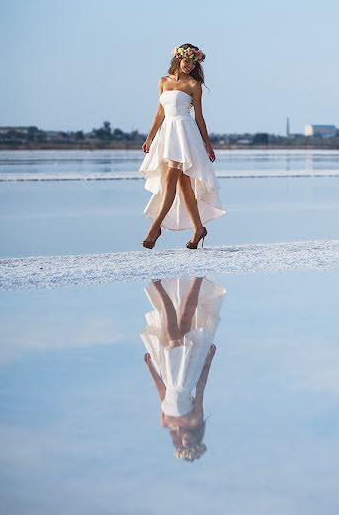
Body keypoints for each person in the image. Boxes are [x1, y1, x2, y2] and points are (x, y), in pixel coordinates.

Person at [140, 44, 224, 249]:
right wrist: (149, 138)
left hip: (185, 134)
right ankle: (199, 229)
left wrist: (207, 144)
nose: (189, 66)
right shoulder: (163, 81)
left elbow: (199, 117)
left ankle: (155, 227)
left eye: (193, 63)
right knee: (184, 186)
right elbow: (160, 113)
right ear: (178, 59)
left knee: (170, 181)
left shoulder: (194, 85)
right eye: (187, 61)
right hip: (167, 134)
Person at [141, 277, 225, 461]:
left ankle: (159, 287)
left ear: (179, 443)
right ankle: (195, 281)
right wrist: (208, 361)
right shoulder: (195, 420)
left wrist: (150, 367)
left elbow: (161, 391)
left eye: (188, 444)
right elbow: (201, 388)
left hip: (168, 374)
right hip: (187, 375)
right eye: (195, 442)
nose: (191, 440)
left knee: (174, 328)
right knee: (183, 322)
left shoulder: (165, 422)